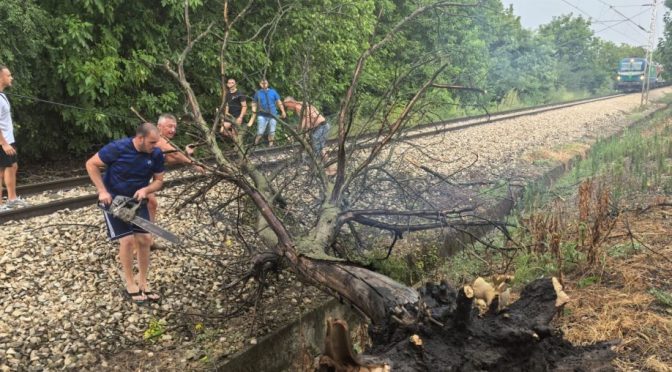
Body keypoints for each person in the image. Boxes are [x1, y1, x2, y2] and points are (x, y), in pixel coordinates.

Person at [86, 123, 165, 304]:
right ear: (140, 138)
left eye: (157, 142)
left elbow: (159, 181)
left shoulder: (156, 153)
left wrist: (146, 190)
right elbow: (91, 164)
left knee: (145, 239)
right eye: (152, 142)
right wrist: (102, 191)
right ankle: (130, 283)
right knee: (128, 240)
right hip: (113, 201)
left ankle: (143, 281)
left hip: (137, 201)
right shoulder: (117, 148)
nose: (155, 146)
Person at [147, 113, 204, 223]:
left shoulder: (164, 141)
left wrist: (187, 155)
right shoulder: (156, 138)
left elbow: (171, 159)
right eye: (170, 126)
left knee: (151, 203)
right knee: (151, 202)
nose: (173, 130)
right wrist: (193, 164)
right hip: (132, 173)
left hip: (144, 177)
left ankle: (148, 230)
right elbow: (176, 154)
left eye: (174, 127)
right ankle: (146, 231)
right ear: (159, 127)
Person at [282, 96, 336, 176]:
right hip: (320, 127)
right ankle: (328, 168)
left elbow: (306, 119)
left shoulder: (299, 107)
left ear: (291, 102)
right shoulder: (303, 104)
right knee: (320, 149)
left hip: (321, 127)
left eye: (287, 106)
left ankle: (326, 169)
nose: (288, 108)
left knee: (317, 148)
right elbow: (309, 119)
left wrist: (299, 131)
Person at [0, 65, 27, 211]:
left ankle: (12, 198)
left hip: (8, 139)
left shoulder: (2, 95)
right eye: (9, 75)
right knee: (3, 170)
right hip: (3, 141)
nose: (11, 78)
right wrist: (3, 143)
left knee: (12, 166)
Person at [248, 79, 286, 146]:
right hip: (262, 115)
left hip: (273, 115)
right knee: (260, 132)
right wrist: (253, 111)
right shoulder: (258, 93)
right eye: (262, 83)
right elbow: (254, 103)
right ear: (260, 84)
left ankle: (270, 146)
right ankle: (255, 144)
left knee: (272, 132)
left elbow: (279, 102)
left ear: (267, 84)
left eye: (265, 83)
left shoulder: (273, 92)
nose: (264, 84)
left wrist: (283, 111)